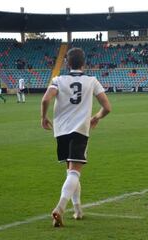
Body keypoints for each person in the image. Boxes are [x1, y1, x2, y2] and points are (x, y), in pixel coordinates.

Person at [41, 48, 111, 227]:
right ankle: (60, 208)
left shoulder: (58, 80)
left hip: (61, 131)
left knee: (70, 172)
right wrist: (96, 117)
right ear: (84, 63)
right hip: (80, 130)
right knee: (74, 172)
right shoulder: (91, 81)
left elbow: (45, 99)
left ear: (67, 63)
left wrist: (43, 117)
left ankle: (78, 210)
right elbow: (107, 107)